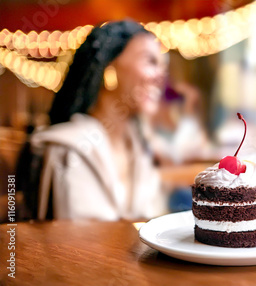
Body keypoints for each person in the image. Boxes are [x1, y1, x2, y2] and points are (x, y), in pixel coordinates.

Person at [18, 20, 168, 220]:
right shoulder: (69, 150)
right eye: (150, 61)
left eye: (162, 65)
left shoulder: (141, 149)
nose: (161, 76)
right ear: (109, 70)